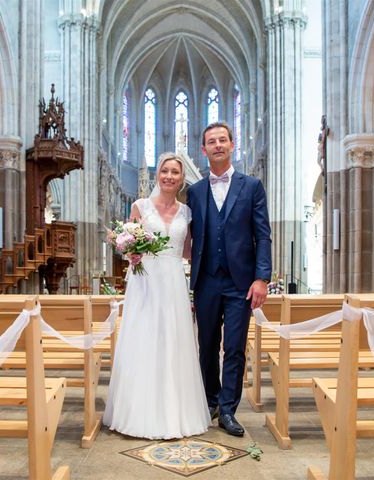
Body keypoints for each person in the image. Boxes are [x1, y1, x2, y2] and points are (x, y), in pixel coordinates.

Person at [103, 152, 210, 439]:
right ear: (157, 174)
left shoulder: (186, 213)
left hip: (174, 280)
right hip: (145, 282)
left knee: (173, 341)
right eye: (165, 171)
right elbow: (128, 245)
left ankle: (175, 412)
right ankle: (139, 412)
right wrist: (130, 251)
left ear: (181, 178)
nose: (169, 176)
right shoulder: (140, 206)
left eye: (175, 172)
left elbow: (188, 250)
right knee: (144, 339)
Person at [186, 121, 272, 437]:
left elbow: (263, 236)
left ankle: (227, 410)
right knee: (206, 345)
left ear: (232, 145)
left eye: (223, 140)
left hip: (241, 282)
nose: (218, 145)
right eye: (212, 141)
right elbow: (187, 236)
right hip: (206, 280)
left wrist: (261, 277)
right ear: (204, 149)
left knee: (234, 347)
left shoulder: (251, 187)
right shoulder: (193, 192)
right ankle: (210, 400)